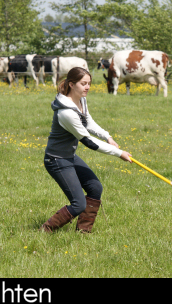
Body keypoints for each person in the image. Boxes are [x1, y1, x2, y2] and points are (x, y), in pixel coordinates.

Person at [40, 67, 132, 233]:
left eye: (89, 83)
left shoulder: (80, 100)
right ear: (71, 84)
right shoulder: (66, 112)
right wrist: (119, 154)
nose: (87, 87)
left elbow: (88, 122)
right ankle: (45, 230)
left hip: (69, 156)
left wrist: (107, 137)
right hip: (56, 160)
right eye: (83, 84)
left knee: (95, 188)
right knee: (79, 204)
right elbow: (88, 141)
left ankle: (83, 232)